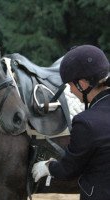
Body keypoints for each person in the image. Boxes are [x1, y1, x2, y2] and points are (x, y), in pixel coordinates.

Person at [31, 45, 110, 200]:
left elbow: (69, 169)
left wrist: (49, 167)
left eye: (70, 85)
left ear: (83, 84)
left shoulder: (85, 123)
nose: (71, 91)